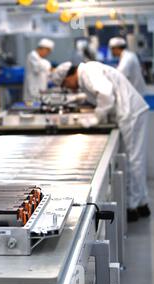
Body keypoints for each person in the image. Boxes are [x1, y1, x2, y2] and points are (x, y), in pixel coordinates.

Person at [52, 61, 150, 222]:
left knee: (134, 161)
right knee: (135, 160)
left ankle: (133, 208)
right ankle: (142, 204)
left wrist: (96, 118)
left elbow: (105, 94)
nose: (69, 87)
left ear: (70, 75)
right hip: (131, 114)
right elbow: (96, 91)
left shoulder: (88, 71)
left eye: (65, 83)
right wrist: (78, 98)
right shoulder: (87, 72)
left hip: (131, 114)